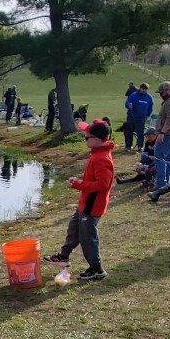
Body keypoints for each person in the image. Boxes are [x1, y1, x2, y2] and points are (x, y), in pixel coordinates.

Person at [44, 118, 115, 281]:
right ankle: (64, 256)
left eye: (86, 137)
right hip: (85, 203)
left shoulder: (101, 158)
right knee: (74, 229)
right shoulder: (96, 154)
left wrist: (79, 185)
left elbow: (103, 184)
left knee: (88, 238)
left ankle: (96, 268)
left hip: (92, 206)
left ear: (97, 140)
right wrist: (80, 183)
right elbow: (94, 180)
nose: (85, 139)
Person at [124, 82, 154, 152]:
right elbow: (127, 103)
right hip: (131, 117)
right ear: (140, 88)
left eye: (145, 89)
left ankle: (140, 146)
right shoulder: (133, 95)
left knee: (140, 132)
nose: (144, 90)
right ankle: (128, 146)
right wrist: (129, 105)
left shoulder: (149, 98)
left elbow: (150, 107)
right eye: (143, 89)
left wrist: (148, 115)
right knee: (129, 131)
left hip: (142, 118)